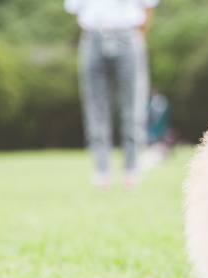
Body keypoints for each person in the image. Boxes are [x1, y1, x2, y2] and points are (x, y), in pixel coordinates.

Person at [64, 0, 160, 190]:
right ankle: (102, 173)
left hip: (128, 37)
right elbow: (76, 10)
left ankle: (131, 171)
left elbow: (147, 8)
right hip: (93, 39)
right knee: (95, 108)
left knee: (132, 107)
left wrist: (132, 36)